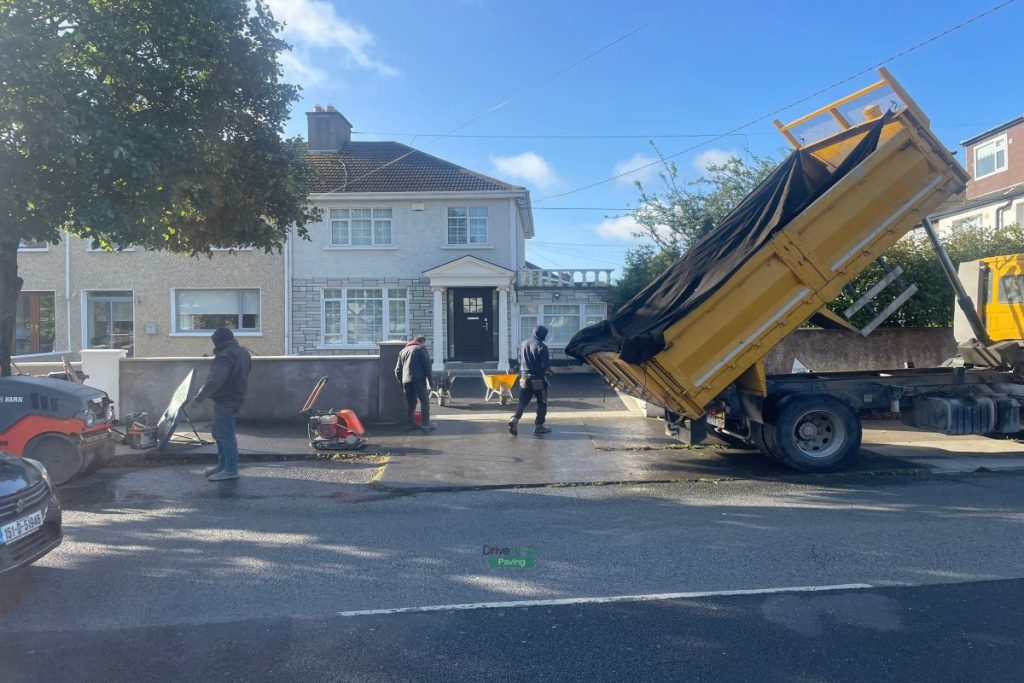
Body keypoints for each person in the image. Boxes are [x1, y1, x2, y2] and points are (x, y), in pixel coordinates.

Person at [192, 327, 253, 481]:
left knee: (225, 435)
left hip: (226, 399)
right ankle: (223, 465)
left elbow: (215, 380)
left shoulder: (225, 356)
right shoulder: (243, 352)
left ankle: (231, 469)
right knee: (218, 432)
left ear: (217, 341)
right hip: (235, 396)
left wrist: (198, 398)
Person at [509, 325, 551, 436]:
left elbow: (519, 359)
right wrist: (548, 370)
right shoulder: (542, 347)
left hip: (523, 377)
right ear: (543, 335)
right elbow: (544, 365)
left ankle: (514, 420)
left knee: (522, 402)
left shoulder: (523, 344)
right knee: (542, 402)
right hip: (538, 379)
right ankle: (539, 426)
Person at [395, 335, 436, 431]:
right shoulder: (420, 349)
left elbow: (397, 370)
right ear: (422, 342)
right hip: (418, 379)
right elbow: (427, 366)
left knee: (411, 402)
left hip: (406, 381)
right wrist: (430, 381)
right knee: (424, 400)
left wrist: (401, 382)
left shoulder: (403, 351)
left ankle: (410, 423)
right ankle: (426, 423)